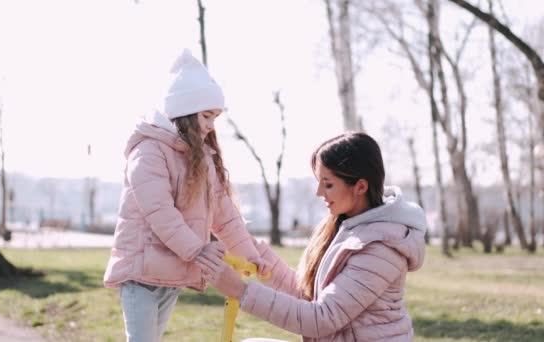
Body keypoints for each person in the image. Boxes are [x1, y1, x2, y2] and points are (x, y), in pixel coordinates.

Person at [102, 48, 270, 342]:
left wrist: (251, 256)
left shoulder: (201, 158)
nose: (210, 125)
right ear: (184, 112)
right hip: (141, 273)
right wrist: (199, 250)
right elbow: (160, 213)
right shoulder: (148, 151)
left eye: (215, 118)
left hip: (173, 272)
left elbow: (224, 214)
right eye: (206, 116)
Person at [204, 132, 427, 342]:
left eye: (328, 184)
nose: (319, 192)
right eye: (319, 182)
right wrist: (256, 253)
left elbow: (322, 318)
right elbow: (309, 295)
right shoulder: (347, 228)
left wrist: (240, 291)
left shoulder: (381, 247)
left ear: (360, 186)